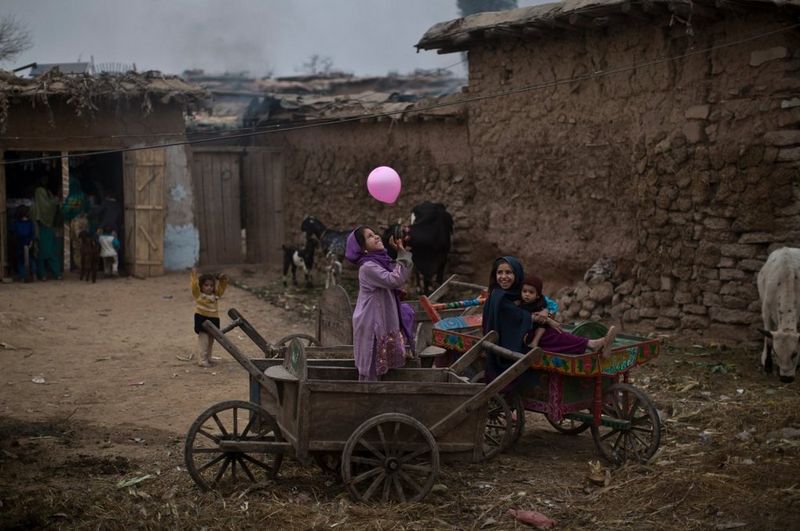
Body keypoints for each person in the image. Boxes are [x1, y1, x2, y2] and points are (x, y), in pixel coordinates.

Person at [345, 226, 416, 382]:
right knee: (372, 361)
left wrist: (399, 251)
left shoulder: (380, 261)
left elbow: (394, 276)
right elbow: (394, 279)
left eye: (375, 234)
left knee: (380, 360)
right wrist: (402, 253)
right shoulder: (367, 267)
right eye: (370, 236)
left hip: (380, 318)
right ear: (363, 249)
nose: (376, 236)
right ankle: (368, 393)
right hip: (371, 322)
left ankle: (380, 390)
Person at [520, 274, 616, 355]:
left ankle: (590, 344)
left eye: (531, 292)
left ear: (537, 295)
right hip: (530, 333)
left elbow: (551, 310)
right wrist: (545, 319)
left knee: (560, 334)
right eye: (524, 291)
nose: (527, 294)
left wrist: (547, 316)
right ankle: (591, 344)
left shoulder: (541, 302)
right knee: (558, 337)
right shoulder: (520, 304)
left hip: (543, 327)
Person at [190, 268, 229, 368]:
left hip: (213, 320)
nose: (209, 288)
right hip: (201, 319)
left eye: (211, 286)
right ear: (201, 286)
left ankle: (208, 358)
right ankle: (202, 360)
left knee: (211, 341)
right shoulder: (199, 295)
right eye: (206, 285)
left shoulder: (215, 296)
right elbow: (194, 286)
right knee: (204, 341)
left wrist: (223, 279)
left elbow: (222, 287)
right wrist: (194, 275)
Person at [31, 183, 62, 280]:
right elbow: (57, 202)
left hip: (39, 231)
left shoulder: (34, 207)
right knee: (52, 253)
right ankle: (57, 274)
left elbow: (33, 220)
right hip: (50, 231)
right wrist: (51, 195)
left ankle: (43, 275)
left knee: (40, 254)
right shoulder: (51, 204)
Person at [92, 192, 124, 274]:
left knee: (102, 248)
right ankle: (115, 269)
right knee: (114, 250)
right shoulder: (118, 206)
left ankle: (104, 269)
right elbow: (120, 220)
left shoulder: (105, 203)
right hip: (114, 230)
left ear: (107, 197)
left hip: (103, 228)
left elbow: (96, 212)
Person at [62, 177, 89, 270]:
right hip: (85, 221)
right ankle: (87, 264)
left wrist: (62, 207)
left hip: (76, 222)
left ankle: (80, 266)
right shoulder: (83, 195)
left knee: (76, 245)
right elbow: (89, 208)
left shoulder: (71, 198)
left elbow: (65, 211)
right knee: (85, 243)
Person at [10, 205, 37, 282]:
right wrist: (31, 242)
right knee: (31, 259)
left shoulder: (16, 223)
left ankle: (23, 276)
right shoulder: (30, 223)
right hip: (28, 242)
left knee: (20, 260)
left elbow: (12, 231)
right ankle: (34, 273)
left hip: (19, 243)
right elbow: (32, 233)